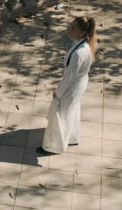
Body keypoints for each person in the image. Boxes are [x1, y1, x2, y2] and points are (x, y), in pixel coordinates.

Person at [37, 16, 96, 155]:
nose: (69, 29)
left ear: (82, 33)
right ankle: (72, 137)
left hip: (73, 86)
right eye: (71, 25)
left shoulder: (79, 53)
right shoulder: (83, 45)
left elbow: (68, 77)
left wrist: (57, 92)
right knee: (71, 111)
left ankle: (54, 146)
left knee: (60, 115)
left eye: (73, 28)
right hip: (79, 83)